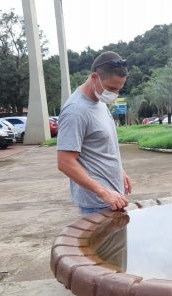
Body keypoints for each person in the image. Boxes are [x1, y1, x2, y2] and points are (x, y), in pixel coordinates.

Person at [57, 51, 132, 214]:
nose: (114, 94)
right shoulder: (76, 110)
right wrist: (103, 192)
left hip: (113, 198)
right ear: (94, 77)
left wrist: (120, 171)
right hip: (98, 203)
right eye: (111, 88)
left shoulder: (99, 101)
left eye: (119, 89)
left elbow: (102, 145)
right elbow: (65, 162)